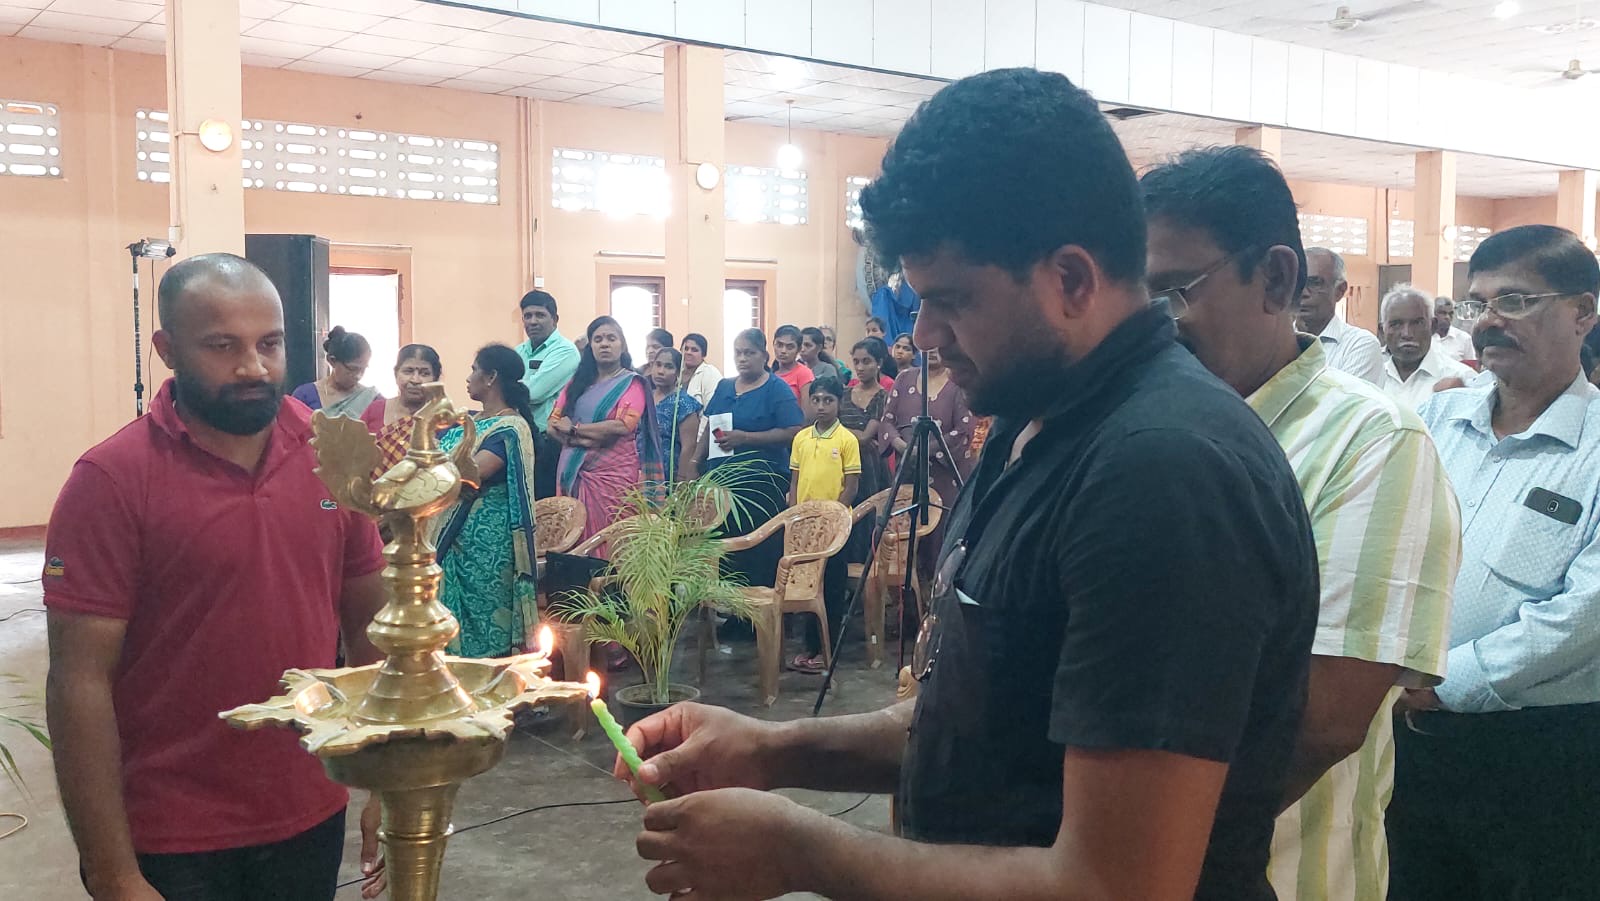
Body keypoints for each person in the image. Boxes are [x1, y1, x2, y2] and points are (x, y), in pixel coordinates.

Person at [618, 68, 1318, 901]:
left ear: (1071, 279)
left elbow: (1115, 885)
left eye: (950, 299)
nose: (923, 334)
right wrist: (771, 750)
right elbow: (980, 720)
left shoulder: (1163, 471)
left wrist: (801, 850)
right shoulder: (1037, 419)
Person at [1142, 146, 1461, 901]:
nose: (1154, 326)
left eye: (1173, 292)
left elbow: (1324, 720)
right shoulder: (1142, 427)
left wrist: (1128, 851)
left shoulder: (1372, 441)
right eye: (1136, 299)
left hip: (1276, 872)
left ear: (1277, 280)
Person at [43, 253, 387, 901]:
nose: (254, 366)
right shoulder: (112, 481)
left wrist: (387, 783)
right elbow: (78, 680)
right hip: (171, 832)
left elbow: (371, 624)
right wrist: (113, 870)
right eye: (223, 346)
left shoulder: (330, 454)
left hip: (309, 809)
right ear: (168, 349)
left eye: (270, 343)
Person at [1390, 225, 1600, 900]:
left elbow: (1584, 614)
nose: (1487, 321)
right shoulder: (1435, 420)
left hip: (1543, 750)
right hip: (1407, 732)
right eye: (1478, 303)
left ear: (1583, 312)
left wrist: (1444, 683)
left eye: (1514, 301)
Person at [433, 344, 542, 658]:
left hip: (487, 543)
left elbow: (474, 473)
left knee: (485, 620)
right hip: (451, 536)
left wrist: (431, 472)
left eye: (474, 370)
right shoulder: (468, 422)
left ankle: (491, 680)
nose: (468, 378)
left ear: (491, 377)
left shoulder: (510, 427)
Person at [699, 328, 805, 589]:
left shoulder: (776, 389)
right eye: (738, 353)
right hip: (722, 481)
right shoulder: (725, 386)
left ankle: (755, 605)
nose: (742, 358)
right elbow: (710, 425)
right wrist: (693, 463)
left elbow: (794, 431)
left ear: (764, 356)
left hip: (760, 484)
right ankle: (726, 604)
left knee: (755, 548)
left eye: (749, 353)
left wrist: (745, 438)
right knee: (723, 546)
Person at [549, 317, 664, 542]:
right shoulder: (576, 384)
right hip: (572, 472)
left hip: (613, 477)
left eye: (611, 338)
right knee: (573, 538)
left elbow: (622, 425)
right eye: (598, 339)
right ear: (590, 346)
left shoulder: (632, 383)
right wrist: (581, 440)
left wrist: (575, 430)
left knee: (612, 538)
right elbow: (553, 424)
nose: (605, 344)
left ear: (622, 345)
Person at [786, 377, 860, 675]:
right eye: (816, 400)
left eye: (828, 400)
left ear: (839, 403)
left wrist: (834, 518)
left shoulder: (847, 440)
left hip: (834, 528)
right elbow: (795, 481)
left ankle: (829, 648)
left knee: (831, 586)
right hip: (805, 526)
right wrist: (794, 514)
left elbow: (851, 486)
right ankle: (808, 647)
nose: (821, 406)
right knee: (807, 585)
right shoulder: (802, 438)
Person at [882, 345, 976, 515]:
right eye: (928, 346)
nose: (932, 351)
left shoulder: (958, 381)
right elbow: (887, 421)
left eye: (937, 346)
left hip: (945, 475)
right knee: (904, 522)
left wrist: (924, 450)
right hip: (908, 470)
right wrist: (904, 447)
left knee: (943, 522)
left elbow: (964, 429)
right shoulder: (903, 379)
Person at [514, 289, 581, 499]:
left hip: (547, 441)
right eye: (527, 316)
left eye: (540, 315)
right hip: (519, 437)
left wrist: (509, 387)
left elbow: (534, 393)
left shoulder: (566, 351)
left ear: (555, 319)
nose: (533, 321)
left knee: (543, 503)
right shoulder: (518, 351)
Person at [1379, 285, 1476, 412]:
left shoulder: (1462, 378)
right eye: (1396, 324)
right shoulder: (1371, 380)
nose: (1407, 333)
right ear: (1382, 331)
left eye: (1417, 323)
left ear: (1433, 326)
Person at [1296, 248, 1384, 385]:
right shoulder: (1275, 342)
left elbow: (1345, 398)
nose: (1303, 293)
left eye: (1314, 283)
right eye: (1297, 282)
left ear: (1340, 291)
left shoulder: (1360, 345)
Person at [290, 325, 384, 429]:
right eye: (352, 368)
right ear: (332, 360)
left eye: (363, 369)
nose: (358, 375)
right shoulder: (304, 396)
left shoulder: (373, 399)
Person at [372, 343, 443, 473]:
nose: (415, 380)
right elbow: (354, 455)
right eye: (408, 371)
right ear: (396, 374)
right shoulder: (375, 410)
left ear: (435, 379)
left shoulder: (443, 419)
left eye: (424, 373)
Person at [842, 337, 894, 503]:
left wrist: (839, 430)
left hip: (870, 466)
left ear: (879, 363)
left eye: (866, 362)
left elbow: (865, 437)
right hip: (842, 463)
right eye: (856, 362)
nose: (860, 367)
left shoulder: (883, 396)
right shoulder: (844, 394)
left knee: (869, 510)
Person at [650, 347, 702, 484]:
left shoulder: (683, 403)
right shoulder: (644, 397)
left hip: (667, 478)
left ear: (678, 372)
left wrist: (681, 480)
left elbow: (689, 446)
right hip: (637, 473)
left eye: (668, 367)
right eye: (658, 365)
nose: (661, 371)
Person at [770, 324, 814, 402]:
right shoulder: (769, 373)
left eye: (790, 347)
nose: (783, 351)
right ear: (773, 344)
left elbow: (806, 408)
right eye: (779, 345)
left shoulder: (804, 373)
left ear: (799, 349)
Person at [679, 332, 723, 406]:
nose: (688, 352)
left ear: (703, 355)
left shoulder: (710, 373)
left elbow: (714, 406)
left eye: (694, 350)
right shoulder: (676, 373)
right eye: (686, 349)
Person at [1432, 296, 1478, 366]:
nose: (1447, 317)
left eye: (1450, 313)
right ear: (1433, 314)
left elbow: (1472, 366)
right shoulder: (1425, 337)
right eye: (1443, 313)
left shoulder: (1464, 339)